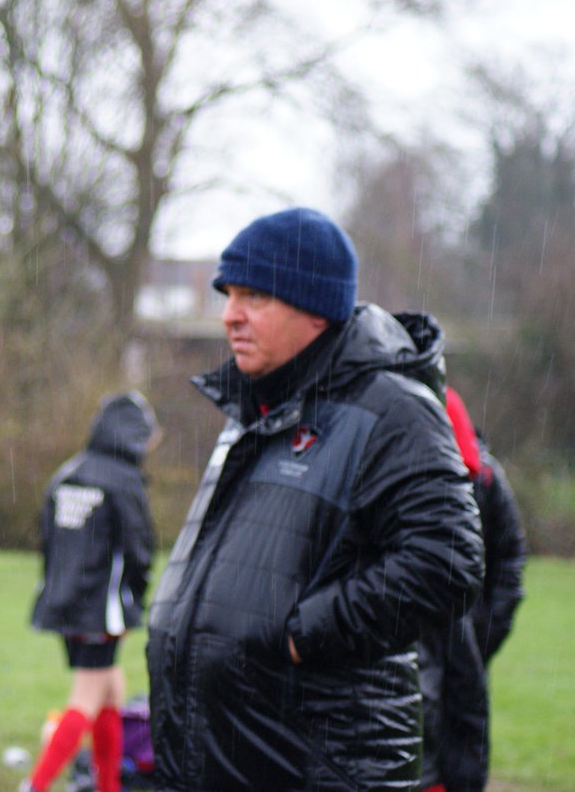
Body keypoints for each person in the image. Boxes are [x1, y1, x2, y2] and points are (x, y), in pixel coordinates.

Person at [145, 207, 485, 790]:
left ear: (315, 308)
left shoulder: (392, 408)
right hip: (225, 762)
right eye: (227, 295)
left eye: (254, 296)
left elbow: (447, 562)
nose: (230, 316)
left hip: (319, 769)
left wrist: (304, 634)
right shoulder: (254, 409)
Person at [23, 392, 159, 792]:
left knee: (111, 691)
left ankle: (108, 785)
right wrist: (136, 595)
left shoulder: (67, 473)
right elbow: (140, 547)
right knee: (86, 697)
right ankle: (36, 785)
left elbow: (47, 541)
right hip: (103, 610)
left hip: (63, 606)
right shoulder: (124, 480)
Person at [420, 387, 528, 792]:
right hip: (412, 644)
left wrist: (481, 635)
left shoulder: (486, 478)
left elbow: (510, 558)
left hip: (461, 647)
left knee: (458, 742)